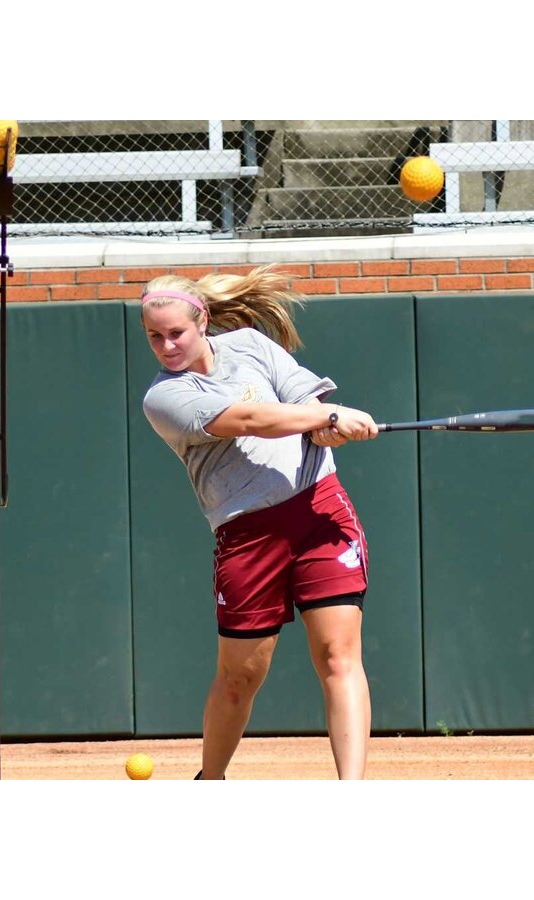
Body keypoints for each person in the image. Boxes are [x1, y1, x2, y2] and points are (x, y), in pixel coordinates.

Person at [140, 265, 378, 780]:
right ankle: (211, 781)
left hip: (320, 510)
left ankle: (353, 796)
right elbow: (249, 420)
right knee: (239, 679)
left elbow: (305, 402)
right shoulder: (164, 398)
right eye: (155, 337)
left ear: (202, 322)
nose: (166, 346)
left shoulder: (249, 344)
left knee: (338, 656)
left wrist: (324, 424)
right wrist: (327, 417)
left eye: (176, 332)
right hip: (249, 535)